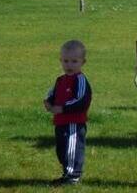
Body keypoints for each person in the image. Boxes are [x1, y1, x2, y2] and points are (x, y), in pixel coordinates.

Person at [44, 40, 92, 186]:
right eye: (65, 61)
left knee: (72, 149)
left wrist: (62, 108)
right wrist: (48, 102)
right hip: (60, 122)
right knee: (62, 150)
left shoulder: (80, 80)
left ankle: (73, 176)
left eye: (74, 61)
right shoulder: (60, 80)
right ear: (61, 61)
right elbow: (53, 94)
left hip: (73, 123)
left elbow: (82, 100)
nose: (69, 65)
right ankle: (67, 173)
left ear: (83, 62)